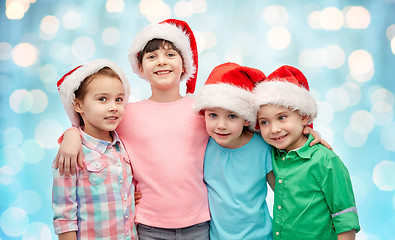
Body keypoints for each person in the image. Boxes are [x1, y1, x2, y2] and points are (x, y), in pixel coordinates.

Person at [54, 19, 211, 239]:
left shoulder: (202, 111)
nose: (161, 62)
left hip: (199, 222)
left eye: (170, 54)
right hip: (148, 225)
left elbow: (231, 129)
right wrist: (71, 135)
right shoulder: (126, 114)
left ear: (185, 64)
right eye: (152, 56)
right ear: (140, 67)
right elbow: (92, 130)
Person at [253, 65, 360, 240]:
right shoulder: (272, 154)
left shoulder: (326, 161)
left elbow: (345, 218)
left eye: (282, 117)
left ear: (304, 116)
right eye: (264, 122)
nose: (274, 129)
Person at [52, 59, 138, 239]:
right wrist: (71, 134)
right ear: (78, 105)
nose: (113, 107)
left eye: (119, 99)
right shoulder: (71, 153)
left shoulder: (122, 146)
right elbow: (64, 214)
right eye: (102, 99)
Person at [192, 62, 275, 240]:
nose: (221, 126)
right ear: (203, 114)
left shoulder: (263, 147)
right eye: (213, 115)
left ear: (246, 119)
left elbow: (284, 194)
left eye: (232, 116)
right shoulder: (203, 144)